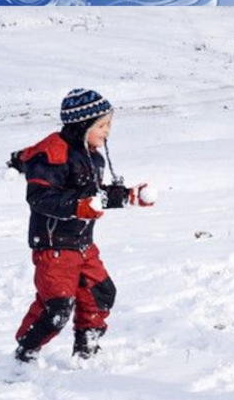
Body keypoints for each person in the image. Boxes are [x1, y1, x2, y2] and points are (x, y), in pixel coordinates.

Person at [11, 88, 156, 363]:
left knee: (100, 293)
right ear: (82, 125)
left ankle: (86, 347)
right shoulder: (53, 154)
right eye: (101, 126)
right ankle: (25, 352)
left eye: (108, 124)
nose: (107, 132)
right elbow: (40, 197)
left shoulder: (93, 157)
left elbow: (94, 196)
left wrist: (128, 196)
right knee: (57, 308)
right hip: (54, 247)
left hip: (83, 245)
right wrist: (78, 206)